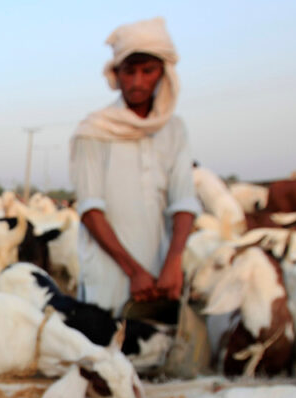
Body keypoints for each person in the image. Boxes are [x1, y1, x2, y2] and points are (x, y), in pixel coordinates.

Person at [69, 16, 199, 311]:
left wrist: (174, 261)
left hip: (160, 273)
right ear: (117, 74)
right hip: (109, 273)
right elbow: (90, 209)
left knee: (156, 350)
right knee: (104, 349)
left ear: (162, 73)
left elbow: (184, 200)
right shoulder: (93, 130)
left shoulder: (174, 129)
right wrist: (134, 271)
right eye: (129, 71)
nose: (138, 82)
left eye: (148, 71)